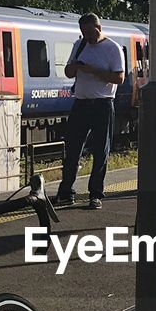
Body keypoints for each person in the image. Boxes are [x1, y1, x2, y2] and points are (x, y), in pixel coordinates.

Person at [56, 13, 125, 209]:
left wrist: (92, 70)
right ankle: (66, 191)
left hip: (102, 104)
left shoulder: (113, 49)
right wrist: (75, 67)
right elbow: (69, 73)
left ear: (99, 28)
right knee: (72, 149)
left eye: (90, 32)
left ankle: (95, 194)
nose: (87, 37)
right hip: (81, 102)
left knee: (100, 150)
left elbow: (119, 78)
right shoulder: (79, 46)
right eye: (83, 33)